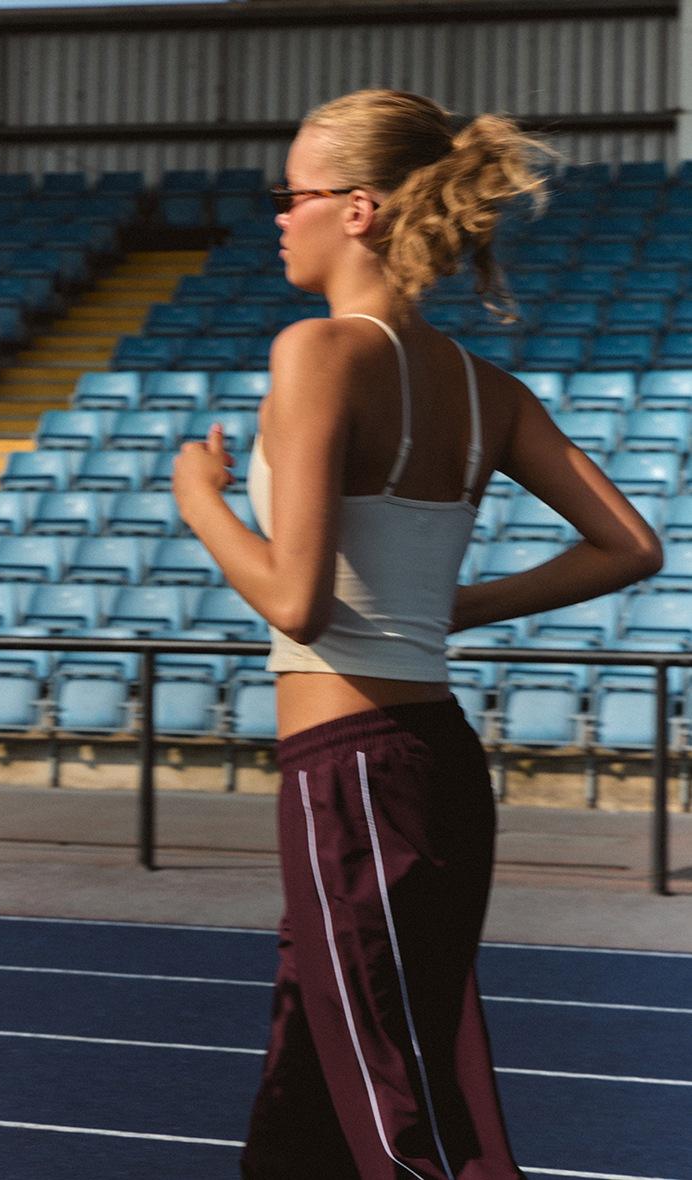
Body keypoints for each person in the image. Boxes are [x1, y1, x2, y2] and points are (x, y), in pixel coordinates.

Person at [172, 89, 662, 1180]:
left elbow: (294, 602)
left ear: (355, 208)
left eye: (288, 194)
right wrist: (453, 608)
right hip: (433, 762)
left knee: (400, 1120)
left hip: (347, 776)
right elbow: (627, 545)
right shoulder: (482, 387)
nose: (274, 218)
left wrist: (200, 498)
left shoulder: (318, 352)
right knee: (306, 1098)